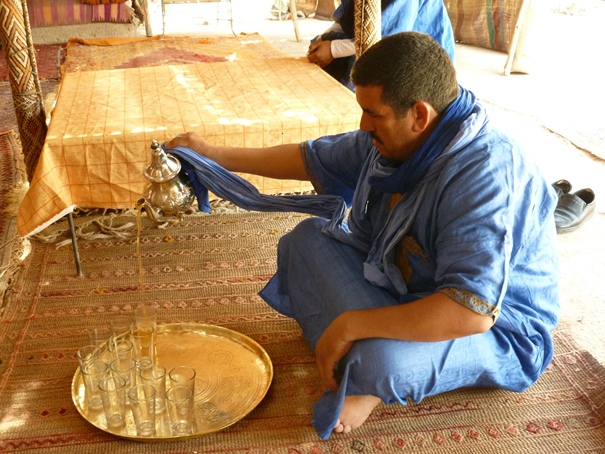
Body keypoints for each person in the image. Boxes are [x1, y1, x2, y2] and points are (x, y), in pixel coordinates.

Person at [164, 32, 560, 440]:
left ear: (419, 115)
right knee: (304, 241)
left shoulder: (486, 174)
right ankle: (362, 354)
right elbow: (310, 157)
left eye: (373, 114)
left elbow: (470, 311)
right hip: (403, 285)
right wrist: (212, 153)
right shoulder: (400, 140)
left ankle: (367, 377)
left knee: (382, 363)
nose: (363, 125)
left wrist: (352, 325)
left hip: (497, 327)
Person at [306, 0, 455, 90]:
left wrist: (333, 49)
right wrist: (322, 41)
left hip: (414, 59)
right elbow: (346, 18)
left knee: (365, 76)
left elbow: (386, 37)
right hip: (376, 40)